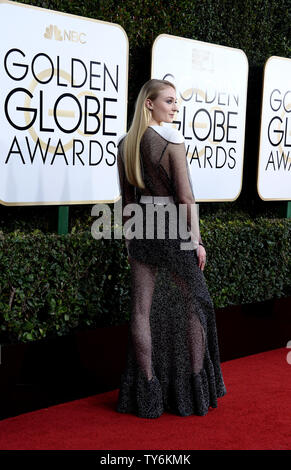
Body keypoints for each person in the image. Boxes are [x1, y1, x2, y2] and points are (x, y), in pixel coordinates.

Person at [116, 78, 226, 418]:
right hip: (172, 228)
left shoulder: (125, 144)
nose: (175, 107)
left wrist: (130, 238)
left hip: (141, 229)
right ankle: (191, 391)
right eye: (169, 101)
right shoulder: (172, 140)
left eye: (176, 102)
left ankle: (148, 393)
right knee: (196, 304)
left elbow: (127, 199)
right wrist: (196, 240)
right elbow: (185, 197)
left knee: (141, 311)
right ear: (149, 104)